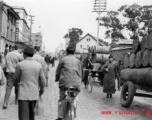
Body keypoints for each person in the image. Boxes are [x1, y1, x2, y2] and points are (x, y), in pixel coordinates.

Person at [13, 46, 45, 120]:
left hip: (23, 94)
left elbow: (15, 78)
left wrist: (17, 87)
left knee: (23, 116)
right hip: (34, 94)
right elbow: (42, 80)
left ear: (24, 54)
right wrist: (41, 90)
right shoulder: (38, 65)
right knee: (32, 116)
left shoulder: (20, 65)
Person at [55, 42, 82, 120]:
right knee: (75, 98)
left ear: (66, 52)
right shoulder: (78, 61)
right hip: (76, 84)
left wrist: (57, 79)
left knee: (62, 99)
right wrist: (79, 82)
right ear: (74, 52)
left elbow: (58, 71)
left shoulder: (63, 59)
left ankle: (60, 116)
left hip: (64, 84)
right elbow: (80, 73)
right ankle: (74, 112)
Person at [3, 45, 24, 109]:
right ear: (18, 48)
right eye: (20, 49)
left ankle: (5, 102)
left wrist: (5, 72)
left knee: (9, 87)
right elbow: (21, 65)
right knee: (17, 86)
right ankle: (16, 100)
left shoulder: (8, 54)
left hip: (9, 72)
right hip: (16, 72)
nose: (21, 50)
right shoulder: (19, 55)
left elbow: (4, 65)